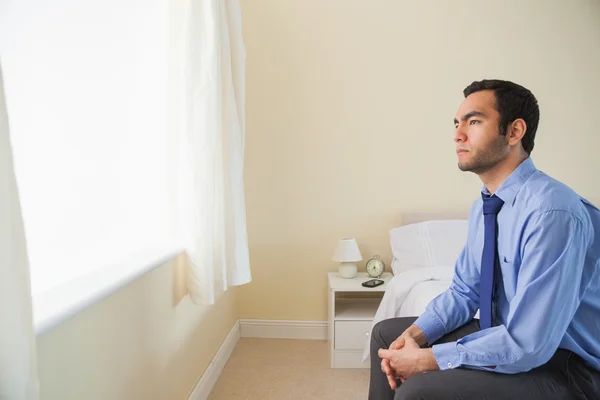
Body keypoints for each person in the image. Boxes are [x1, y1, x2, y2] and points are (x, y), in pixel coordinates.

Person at [369, 79, 600, 399]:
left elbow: (530, 344)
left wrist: (428, 359)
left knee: (420, 388)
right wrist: (411, 338)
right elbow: (465, 292)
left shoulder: (553, 212)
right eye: (457, 123)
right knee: (386, 334)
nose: (457, 134)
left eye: (474, 121)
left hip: (565, 364)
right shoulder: (485, 207)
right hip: (510, 334)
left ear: (515, 131)